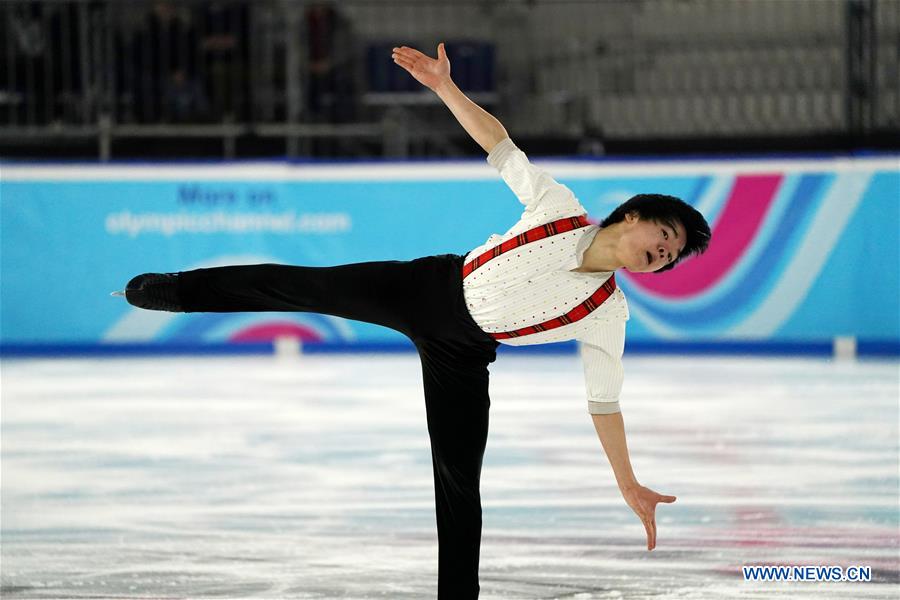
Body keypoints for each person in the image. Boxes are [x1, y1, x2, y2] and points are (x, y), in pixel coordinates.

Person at [122, 43, 711, 599]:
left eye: (668, 257)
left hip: (464, 352)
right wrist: (445, 87)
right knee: (306, 285)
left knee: (459, 484)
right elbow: (499, 145)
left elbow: (603, 403)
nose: (660, 254)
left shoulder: (608, 313)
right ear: (633, 216)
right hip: (427, 286)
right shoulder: (559, 206)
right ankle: (179, 291)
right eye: (663, 237)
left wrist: (628, 482)